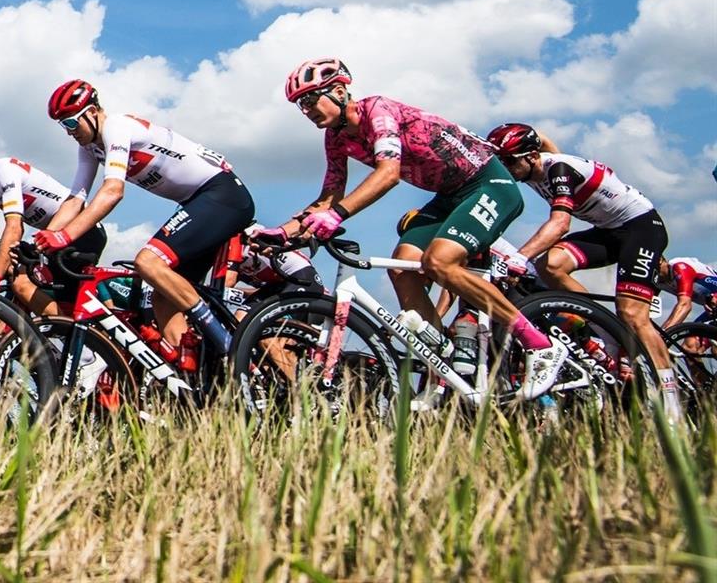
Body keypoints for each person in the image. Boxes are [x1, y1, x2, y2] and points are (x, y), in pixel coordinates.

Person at [273, 57, 563, 401]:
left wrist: (336, 215)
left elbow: (388, 173)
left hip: (489, 182)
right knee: (401, 267)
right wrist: (283, 232)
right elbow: (328, 196)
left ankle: (539, 344)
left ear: (339, 91)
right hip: (450, 196)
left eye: (309, 100)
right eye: (300, 106)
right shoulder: (336, 139)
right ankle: (444, 363)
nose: (306, 111)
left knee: (440, 261)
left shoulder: (376, 111)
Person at [35, 79, 254, 362]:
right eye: (64, 127)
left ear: (91, 112)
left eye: (72, 124)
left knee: (148, 262)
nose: (69, 133)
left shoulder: (117, 128)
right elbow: (75, 199)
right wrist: (41, 241)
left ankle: (228, 347)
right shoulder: (90, 148)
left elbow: (113, 191)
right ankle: (193, 371)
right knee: (163, 296)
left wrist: (64, 238)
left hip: (221, 194)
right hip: (198, 201)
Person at [490, 122, 681, 418]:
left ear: (530, 156)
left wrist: (518, 257)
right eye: (501, 162)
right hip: (608, 230)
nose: (506, 168)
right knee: (551, 265)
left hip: (641, 227)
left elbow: (560, 224)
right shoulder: (534, 166)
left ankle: (671, 402)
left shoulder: (559, 170)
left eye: (510, 162)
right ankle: (606, 328)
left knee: (632, 313)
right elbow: (541, 137)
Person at [0, 126, 102, 318]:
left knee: (20, 283)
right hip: (53, 242)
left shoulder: (4, 170)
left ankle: (75, 333)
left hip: (82, 235)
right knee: (11, 275)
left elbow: (15, 227)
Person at [665, 258, 717, 330]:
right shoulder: (654, 277)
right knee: (691, 339)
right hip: (712, 308)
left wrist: (664, 332)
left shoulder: (680, 267)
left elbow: (685, 305)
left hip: (714, 302)